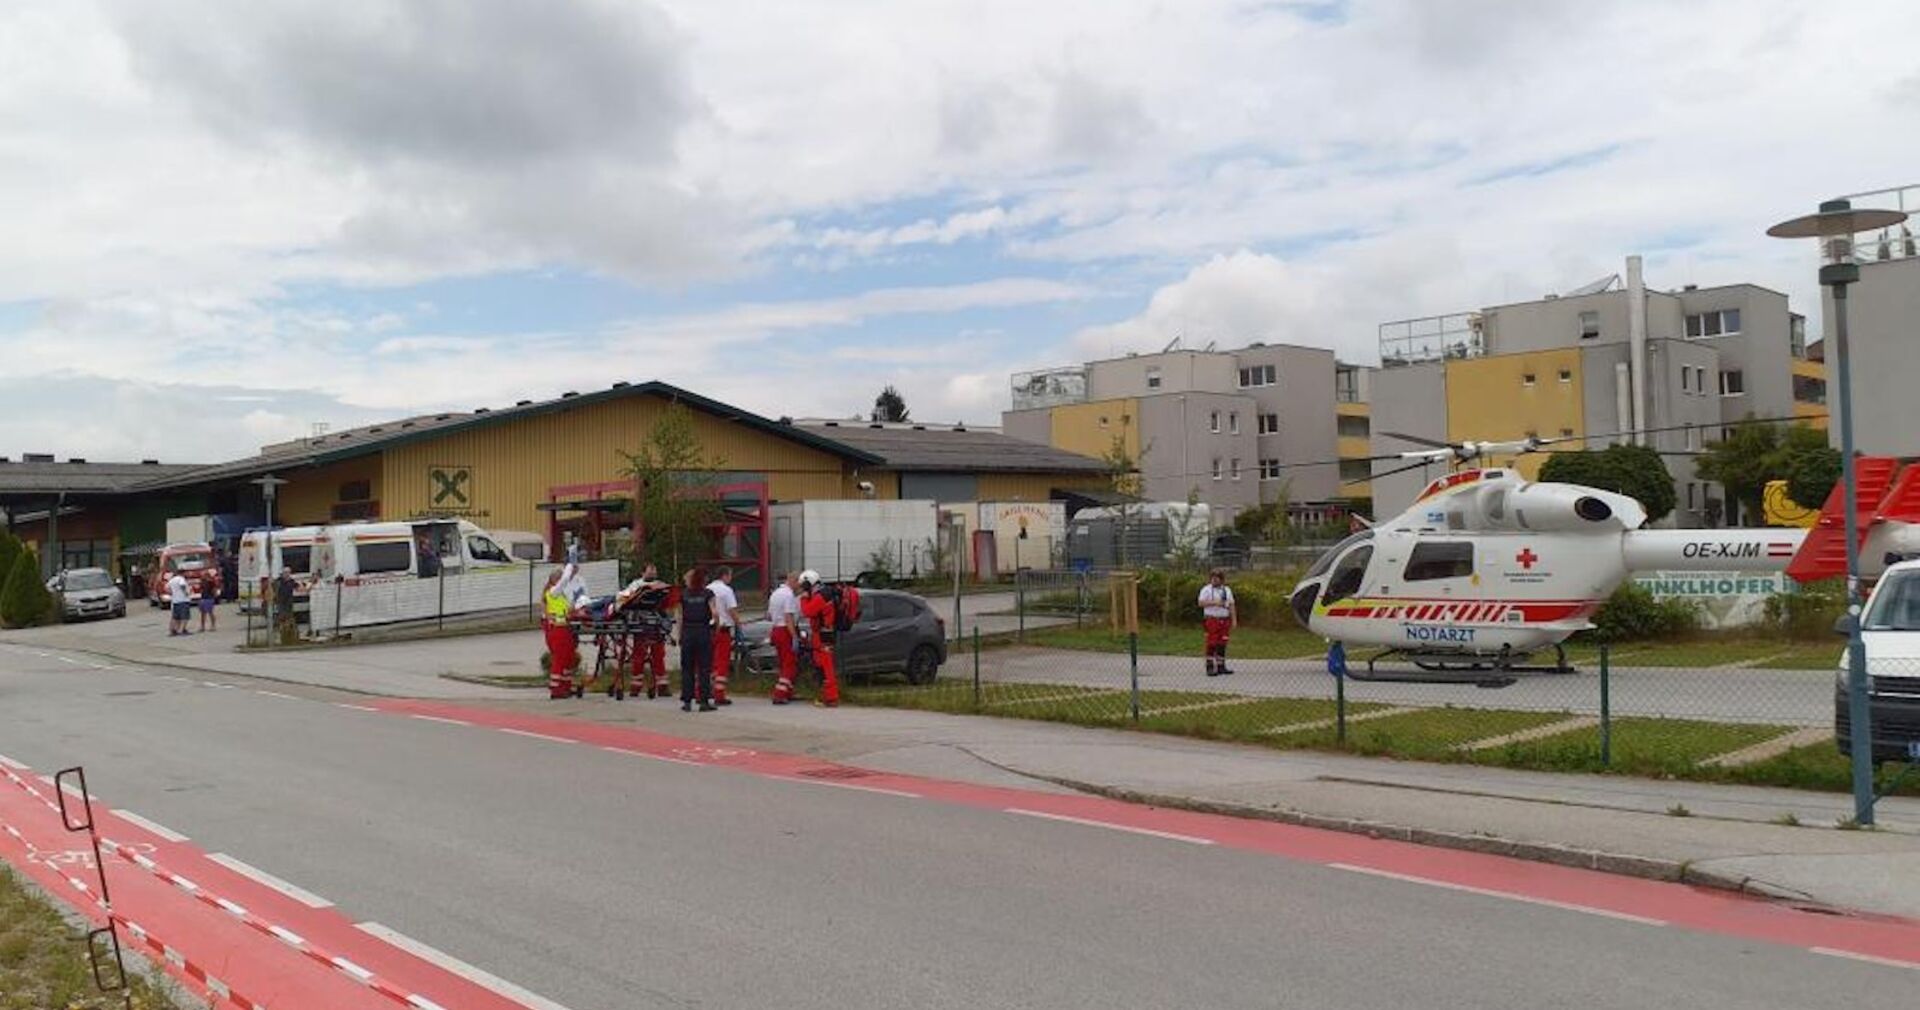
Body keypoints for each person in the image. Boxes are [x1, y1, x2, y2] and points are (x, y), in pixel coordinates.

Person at [627, 562, 673, 699]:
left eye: (654, 570)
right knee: (639, 656)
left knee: (658, 655)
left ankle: (662, 686)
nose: (653, 573)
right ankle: (635, 687)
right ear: (643, 573)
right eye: (650, 570)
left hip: (656, 624)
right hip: (640, 624)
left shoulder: (661, 585)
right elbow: (627, 600)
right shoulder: (635, 585)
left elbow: (668, 601)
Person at [797, 570, 842, 708]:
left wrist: (804, 598)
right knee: (820, 665)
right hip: (822, 634)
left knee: (826, 667)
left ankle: (831, 697)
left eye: (804, 586)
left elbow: (808, 611)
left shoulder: (821, 596)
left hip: (824, 635)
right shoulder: (824, 593)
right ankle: (825, 695)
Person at [676, 568, 717, 712]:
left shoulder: (683, 595)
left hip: (688, 631)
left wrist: (680, 635)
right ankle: (704, 702)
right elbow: (715, 613)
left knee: (687, 668)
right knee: (704, 668)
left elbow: (679, 617)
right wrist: (714, 626)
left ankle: (687, 701)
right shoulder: (708, 594)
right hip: (703, 631)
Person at [542, 567, 581, 699]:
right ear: (555, 580)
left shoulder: (561, 595)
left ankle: (565, 686)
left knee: (568, 657)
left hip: (565, 628)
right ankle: (556, 689)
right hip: (557, 629)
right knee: (559, 659)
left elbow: (566, 608)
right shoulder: (553, 592)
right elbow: (565, 580)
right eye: (559, 579)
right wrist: (570, 566)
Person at [767, 571, 803, 704]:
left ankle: (788, 691)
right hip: (785, 631)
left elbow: (769, 615)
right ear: (793, 580)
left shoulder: (775, 593)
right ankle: (780, 694)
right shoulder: (788, 596)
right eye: (798, 582)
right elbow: (789, 617)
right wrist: (794, 636)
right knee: (789, 663)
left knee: (783, 663)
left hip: (775, 629)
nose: (799, 586)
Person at [708, 567, 740, 706]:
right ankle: (719, 694)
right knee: (721, 662)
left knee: (708, 662)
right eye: (730, 576)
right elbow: (731, 610)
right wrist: (739, 624)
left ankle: (701, 691)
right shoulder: (727, 590)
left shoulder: (707, 589)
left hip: (708, 630)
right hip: (722, 630)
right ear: (725, 576)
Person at [1198, 568, 1237, 676]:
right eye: (1213, 578)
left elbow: (1231, 605)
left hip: (1224, 620)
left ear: (1221, 579)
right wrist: (1214, 603)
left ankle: (1221, 666)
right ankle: (1210, 666)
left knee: (1222, 643)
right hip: (1212, 619)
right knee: (1212, 643)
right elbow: (1201, 603)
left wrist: (1234, 619)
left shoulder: (1227, 590)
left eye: (1217, 578)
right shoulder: (1206, 589)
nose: (1214, 580)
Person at [166, 570, 191, 636]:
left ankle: (173, 630)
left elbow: (167, 588)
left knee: (175, 617)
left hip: (175, 601)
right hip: (183, 600)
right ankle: (183, 630)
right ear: (182, 573)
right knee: (185, 616)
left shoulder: (171, 580)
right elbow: (182, 585)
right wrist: (185, 593)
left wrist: (172, 593)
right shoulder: (181, 579)